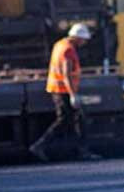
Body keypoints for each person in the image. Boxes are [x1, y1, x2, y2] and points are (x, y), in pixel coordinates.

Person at [29, 23, 100, 161]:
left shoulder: (60, 44)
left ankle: (79, 150)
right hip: (63, 91)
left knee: (75, 119)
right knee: (67, 120)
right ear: (77, 38)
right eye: (84, 39)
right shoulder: (68, 50)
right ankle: (40, 145)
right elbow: (66, 73)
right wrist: (73, 95)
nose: (85, 42)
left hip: (58, 89)